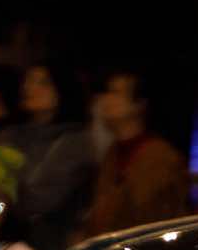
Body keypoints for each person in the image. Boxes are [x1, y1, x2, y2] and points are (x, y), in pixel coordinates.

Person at [0, 61, 98, 250]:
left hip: (50, 244)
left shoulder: (74, 140)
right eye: (28, 81)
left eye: (43, 83)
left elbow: (37, 198)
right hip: (2, 238)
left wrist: (4, 195)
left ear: (63, 90)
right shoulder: (8, 135)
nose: (29, 88)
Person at [79, 68, 188, 238]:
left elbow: (153, 221)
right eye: (106, 92)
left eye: (116, 93)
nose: (106, 100)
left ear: (139, 104)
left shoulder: (160, 158)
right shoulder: (113, 153)